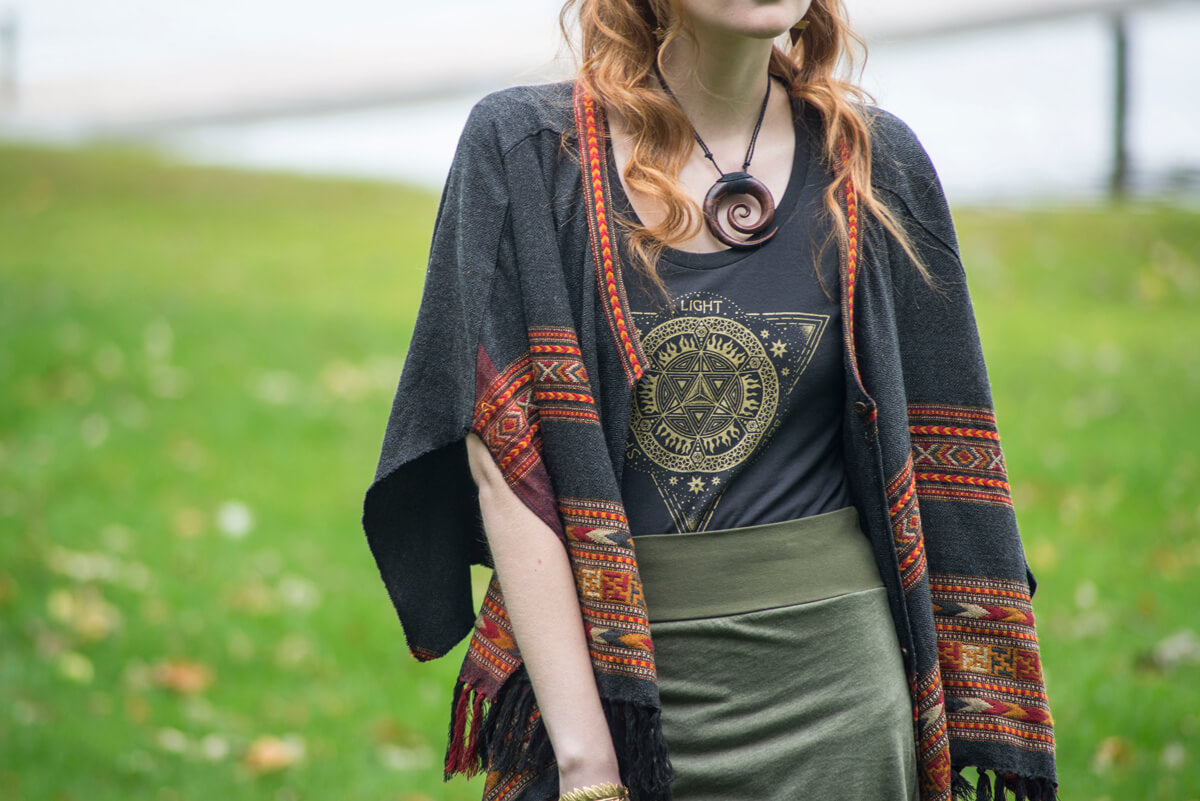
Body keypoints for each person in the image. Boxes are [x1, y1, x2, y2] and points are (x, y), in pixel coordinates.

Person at [362, 1, 1058, 800]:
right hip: (614, 693)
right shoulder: (528, 150)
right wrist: (588, 764)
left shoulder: (872, 162)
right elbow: (504, 463)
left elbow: (946, 453)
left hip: (839, 704)